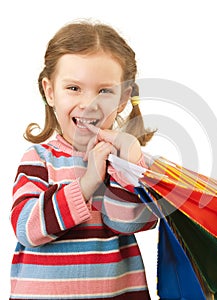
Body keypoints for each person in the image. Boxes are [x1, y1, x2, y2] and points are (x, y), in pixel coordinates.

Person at [10, 19, 157, 300]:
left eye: (104, 91)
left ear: (123, 99)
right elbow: (26, 227)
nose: (89, 103)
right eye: (74, 88)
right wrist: (87, 184)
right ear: (50, 92)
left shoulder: (127, 159)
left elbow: (131, 223)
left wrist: (131, 165)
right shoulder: (39, 159)